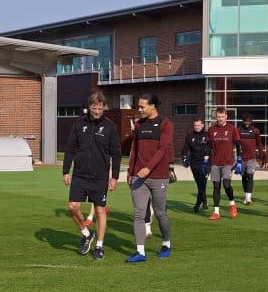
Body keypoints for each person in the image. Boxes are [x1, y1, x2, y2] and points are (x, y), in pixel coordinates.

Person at [63, 91, 121, 260]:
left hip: (100, 176)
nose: (96, 110)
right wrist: (66, 170)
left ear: (104, 107)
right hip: (80, 174)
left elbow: (116, 153)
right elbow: (70, 149)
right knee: (73, 206)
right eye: (94, 107)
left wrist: (114, 177)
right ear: (89, 107)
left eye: (99, 107)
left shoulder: (110, 126)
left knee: (100, 210)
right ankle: (87, 234)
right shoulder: (79, 124)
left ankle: (99, 246)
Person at [125, 93, 173, 263]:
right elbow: (134, 151)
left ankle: (166, 243)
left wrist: (148, 168)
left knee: (160, 213)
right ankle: (140, 252)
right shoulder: (138, 125)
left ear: (152, 106)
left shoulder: (165, 124)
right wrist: (131, 172)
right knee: (138, 214)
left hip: (159, 176)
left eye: (142, 106)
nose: (139, 110)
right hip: (138, 178)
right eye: (138, 106)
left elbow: (163, 150)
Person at [207, 108, 241, 220]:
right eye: (218, 116)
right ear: (216, 117)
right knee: (216, 187)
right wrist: (206, 160)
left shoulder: (232, 129)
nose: (220, 119)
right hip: (215, 162)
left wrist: (239, 159)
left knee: (226, 185)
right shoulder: (211, 129)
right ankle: (216, 213)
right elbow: (209, 147)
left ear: (226, 116)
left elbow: (237, 144)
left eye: (222, 116)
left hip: (227, 162)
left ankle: (232, 204)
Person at [181, 117, 210, 212]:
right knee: (199, 184)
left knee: (202, 183)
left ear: (202, 125)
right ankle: (204, 203)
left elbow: (211, 148)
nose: (197, 127)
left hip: (205, 163)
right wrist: (184, 158)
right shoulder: (190, 135)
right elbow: (185, 148)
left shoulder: (207, 135)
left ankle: (198, 203)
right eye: (195, 125)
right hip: (194, 163)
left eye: (198, 125)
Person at [237, 113, 264, 205]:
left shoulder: (255, 130)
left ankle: (249, 198)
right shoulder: (239, 130)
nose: (247, 123)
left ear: (251, 121)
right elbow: (235, 144)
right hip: (241, 158)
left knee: (250, 176)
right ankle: (246, 196)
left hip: (252, 158)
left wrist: (261, 156)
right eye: (245, 121)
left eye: (249, 121)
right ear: (243, 121)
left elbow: (260, 144)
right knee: (244, 178)